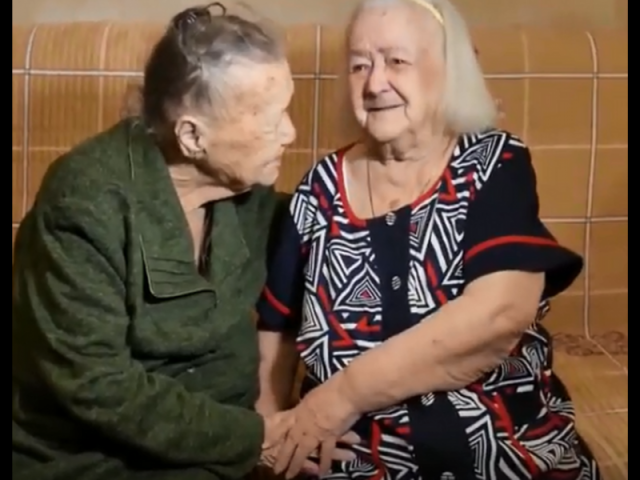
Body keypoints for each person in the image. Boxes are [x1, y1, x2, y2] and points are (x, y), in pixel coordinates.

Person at [255, 0, 602, 479]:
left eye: (397, 61)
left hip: (502, 453)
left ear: (449, 70)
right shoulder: (318, 191)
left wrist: (340, 397)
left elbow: (499, 314)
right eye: (359, 65)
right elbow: (276, 332)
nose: (375, 83)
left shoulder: (492, 165)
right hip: (356, 462)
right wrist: (269, 434)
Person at [12, 3, 356, 479]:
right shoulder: (86, 202)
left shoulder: (249, 193)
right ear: (192, 136)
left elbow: (333, 223)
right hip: (92, 461)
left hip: (217, 453)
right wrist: (255, 439)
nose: (290, 133)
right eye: (268, 119)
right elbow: (95, 384)